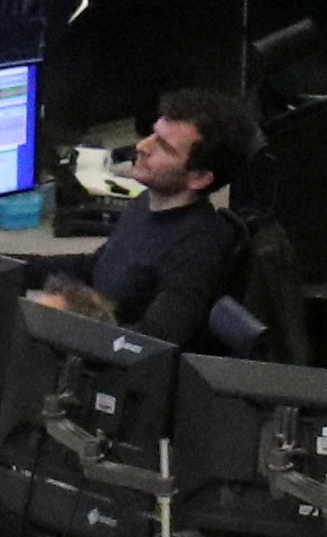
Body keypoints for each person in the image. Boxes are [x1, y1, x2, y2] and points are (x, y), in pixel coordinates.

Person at [76, 86, 256, 348]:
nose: (142, 147)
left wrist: (69, 332)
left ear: (199, 178)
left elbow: (158, 339)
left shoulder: (198, 246)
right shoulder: (145, 203)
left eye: (164, 147)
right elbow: (97, 266)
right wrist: (6, 265)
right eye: (153, 134)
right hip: (102, 339)